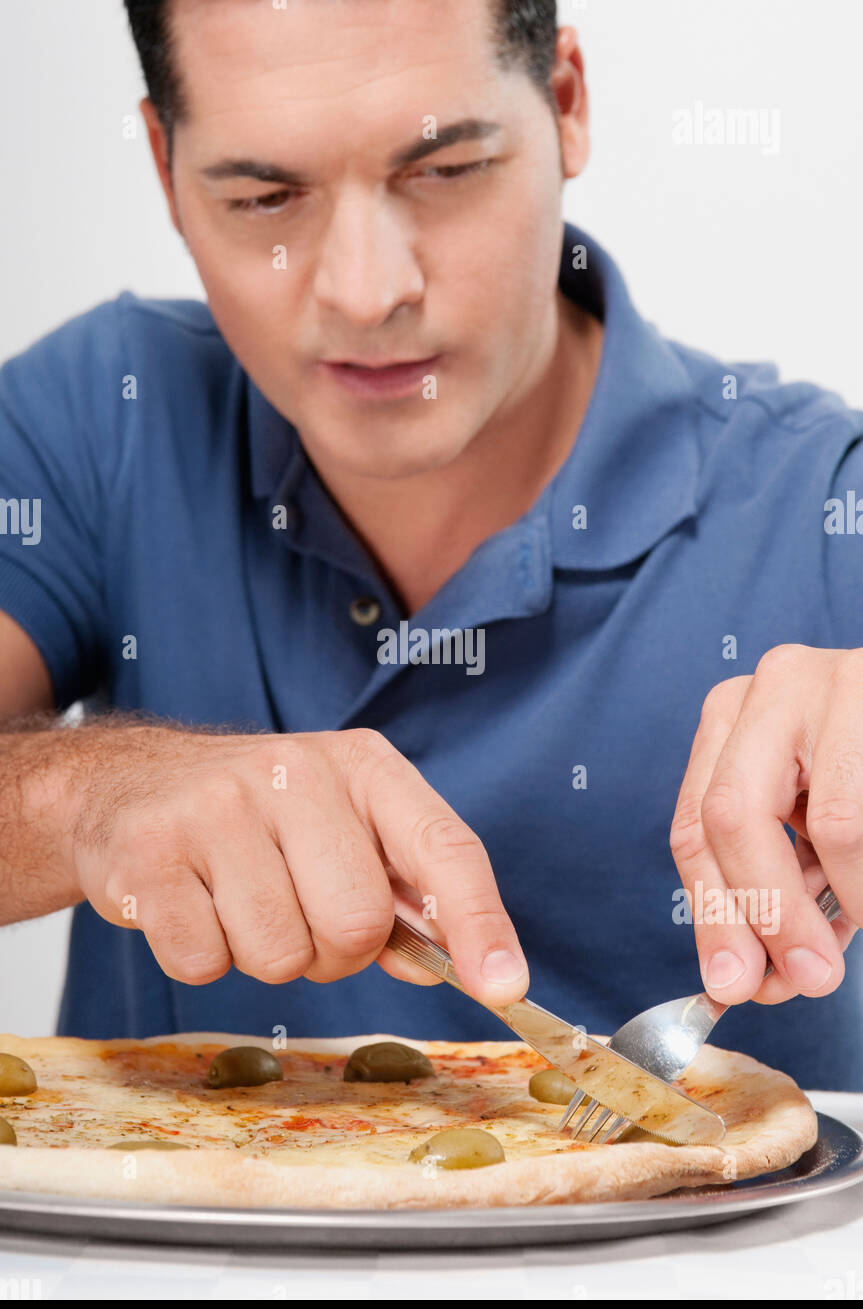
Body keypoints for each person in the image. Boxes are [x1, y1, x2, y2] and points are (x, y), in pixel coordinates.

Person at [0, 0, 860, 1089]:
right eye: (266, 197)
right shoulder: (98, 417)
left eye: (444, 170)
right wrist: (82, 799)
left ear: (564, 102)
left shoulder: (825, 501)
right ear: (165, 167)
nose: (367, 292)